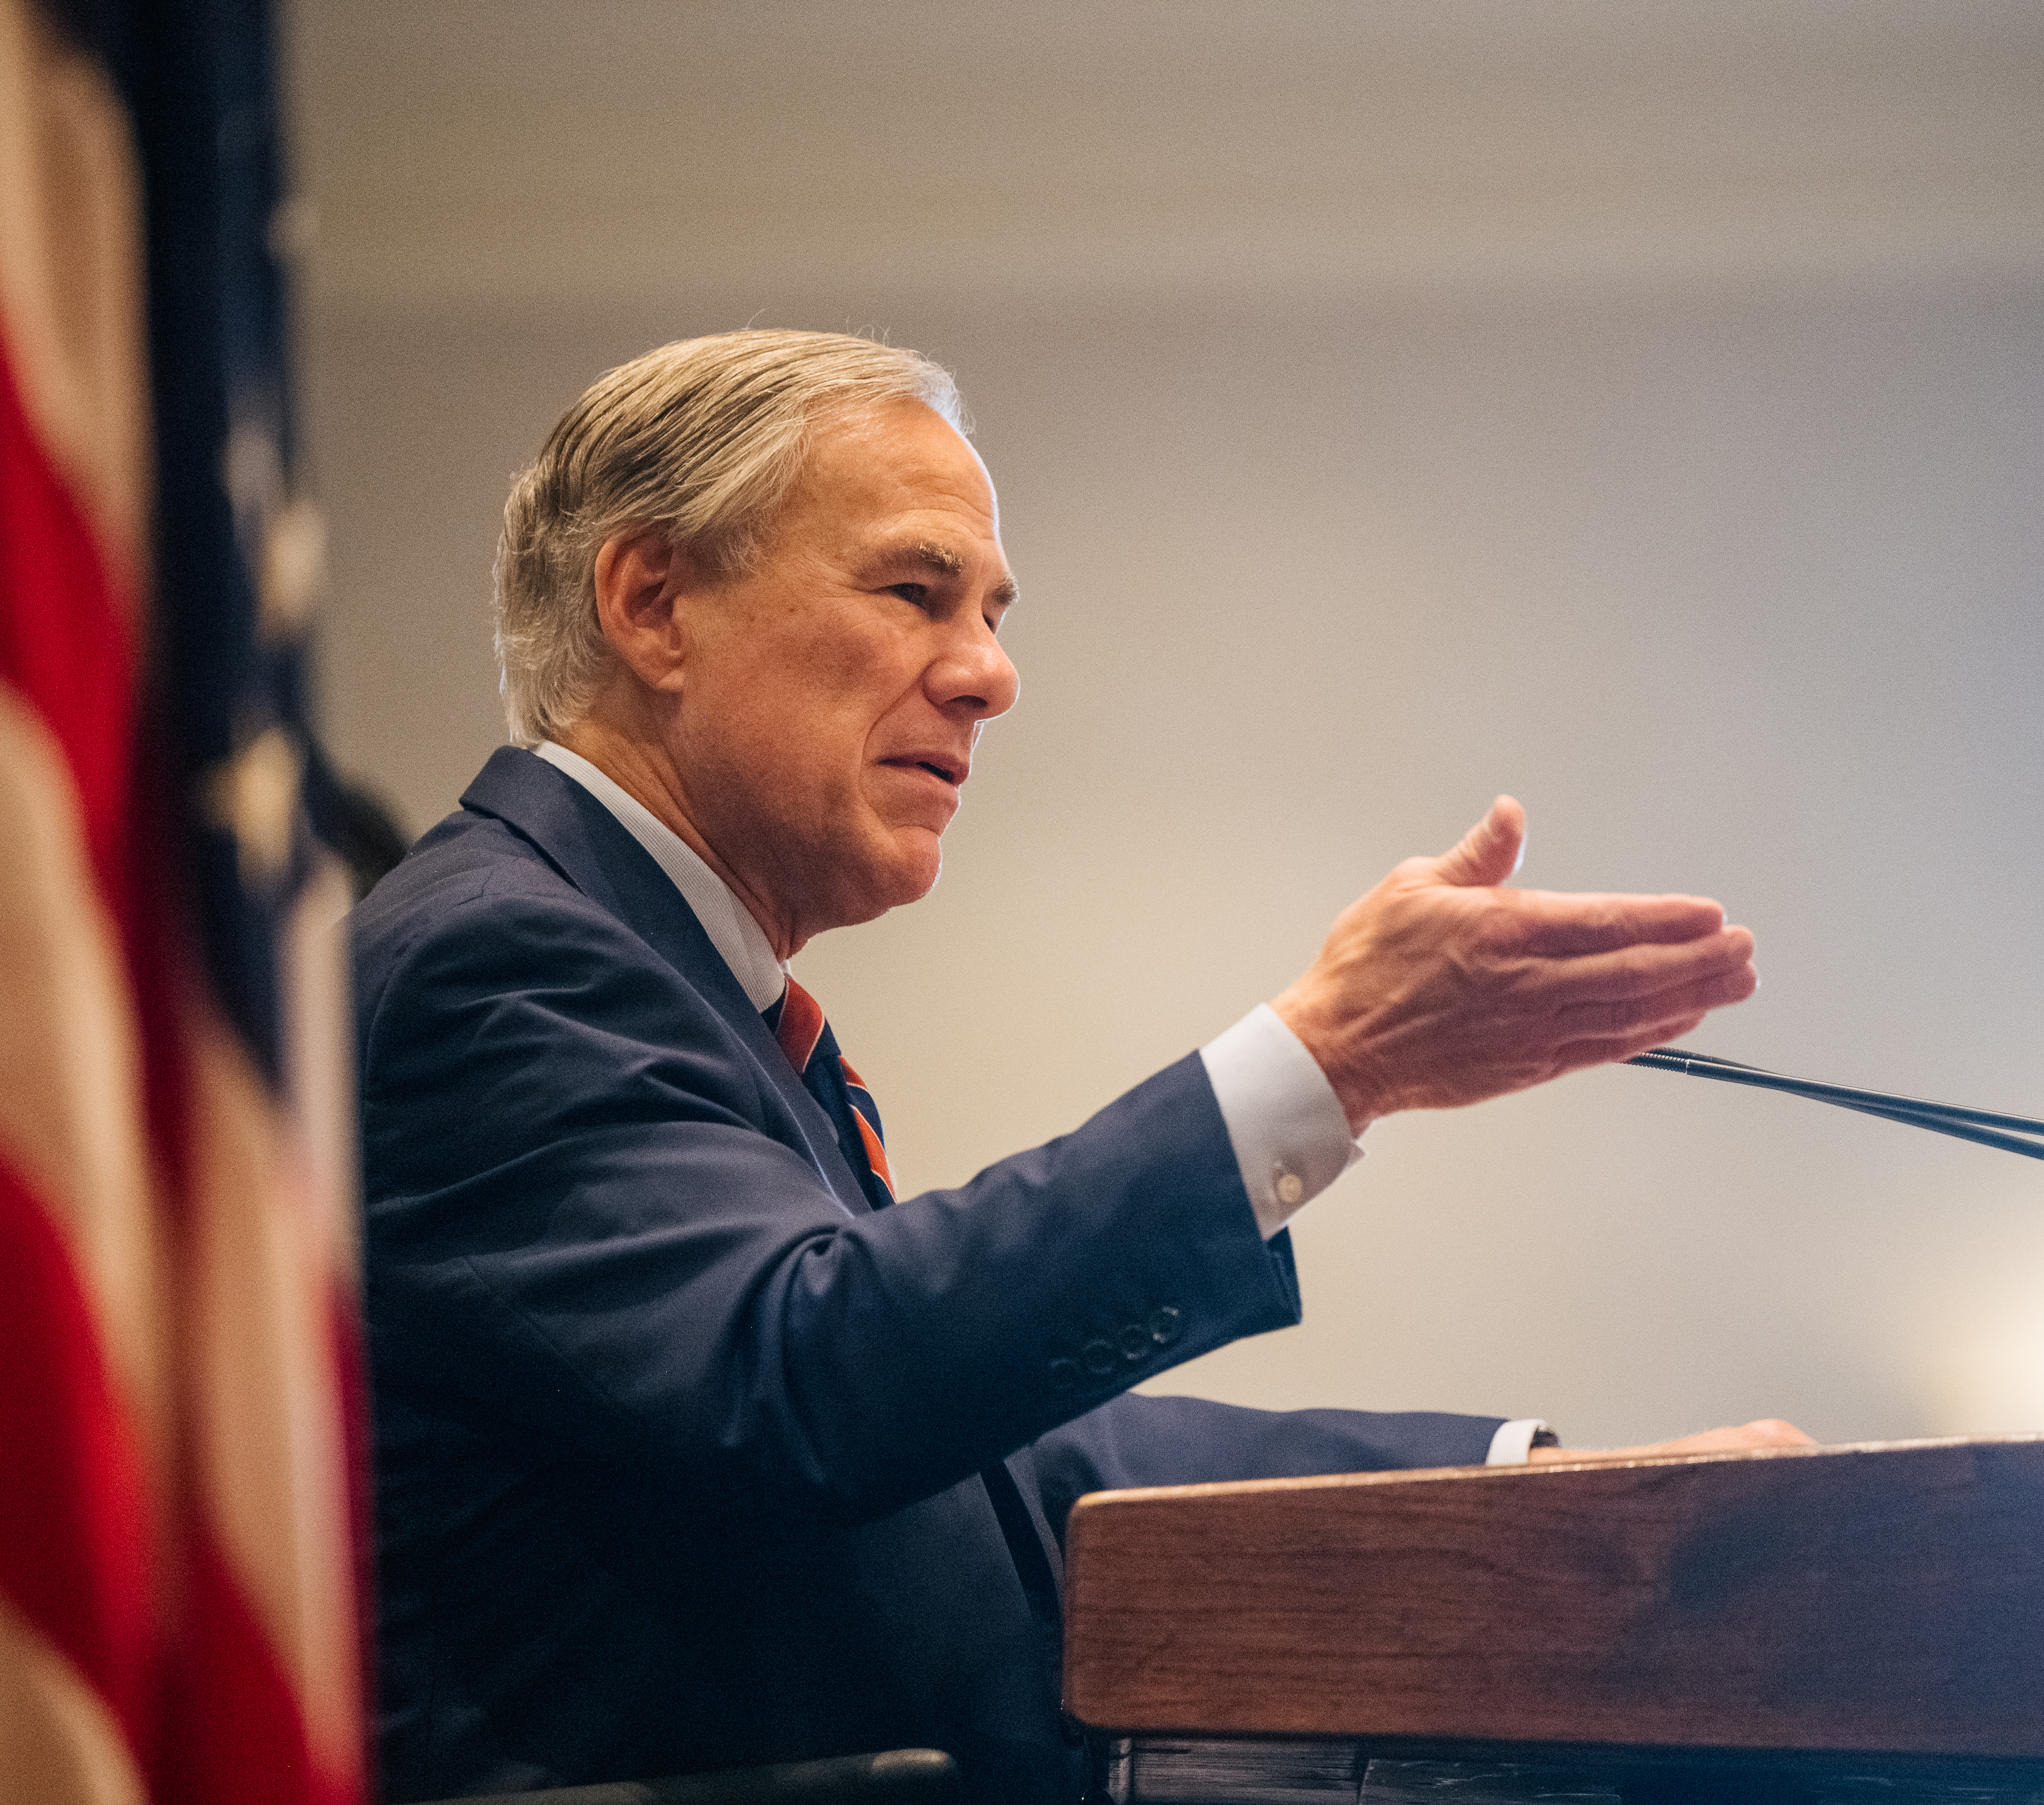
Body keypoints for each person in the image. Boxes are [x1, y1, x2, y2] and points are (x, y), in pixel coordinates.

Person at [353, 330, 1798, 1804]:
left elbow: (1010, 1473)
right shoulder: (495, 956)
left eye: (989, 612)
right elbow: (810, 1372)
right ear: (653, 603)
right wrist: (1325, 1065)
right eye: (917, 592)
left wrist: (1543, 1497)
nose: (990, 676)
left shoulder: (663, 970)